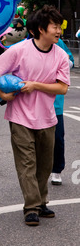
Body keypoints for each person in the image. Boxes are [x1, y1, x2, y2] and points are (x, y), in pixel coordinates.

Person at [0, 5, 70, 226]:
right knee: (26, 163)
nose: (58, 30)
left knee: (44, 165)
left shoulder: (60, 55)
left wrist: (36, 85)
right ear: (41, 29)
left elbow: (62, 88)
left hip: (48, 118)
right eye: (55, 26)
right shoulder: (20, 50)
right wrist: (2, 92)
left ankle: (41, 202)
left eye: (59, 26)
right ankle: (31, 207)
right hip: (20, 117)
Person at [50, 38, 74, 185]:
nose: (57, 31)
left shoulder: (58, 43)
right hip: (35, 104)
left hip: (55, 102)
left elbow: (70, 60)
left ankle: (56, 170)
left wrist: (64, 63)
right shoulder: (29, 44)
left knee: (58, 138)